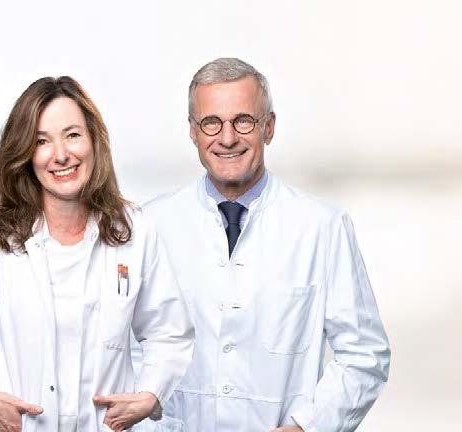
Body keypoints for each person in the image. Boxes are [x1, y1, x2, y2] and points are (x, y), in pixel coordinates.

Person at [143, 58, 391, 431]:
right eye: (211, 123)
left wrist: (307, 427)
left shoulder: (322, 227)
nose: (227, 138)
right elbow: (128, 348)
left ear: (269, 127)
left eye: (244, 121)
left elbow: (364, 356)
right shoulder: (151, 224)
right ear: (193, 131)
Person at [0, 76, 194, 432]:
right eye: (41, 141)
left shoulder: (134, 230)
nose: (60, 155)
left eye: (72, 135)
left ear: (93, 140)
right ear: (25, 153)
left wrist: (150, 394)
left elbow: (168, 333)